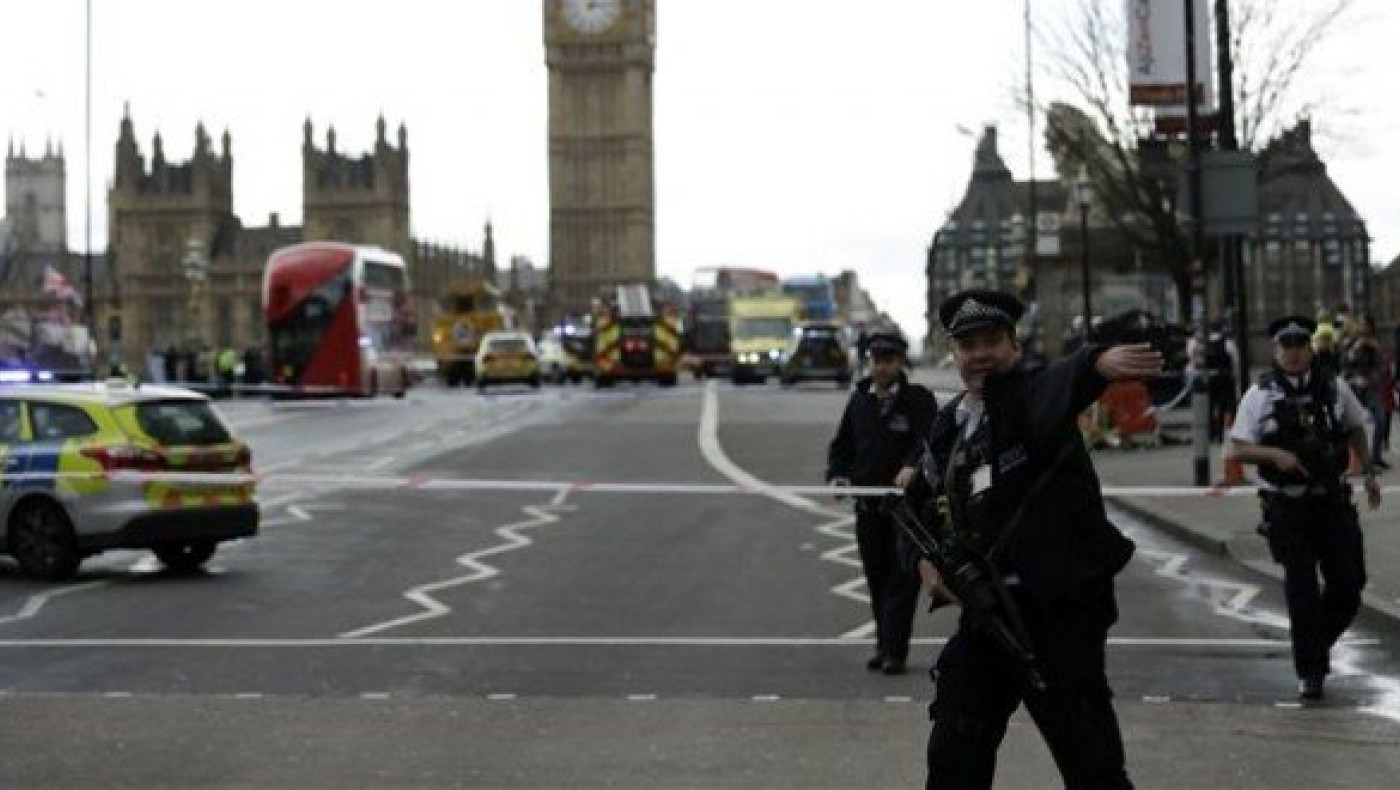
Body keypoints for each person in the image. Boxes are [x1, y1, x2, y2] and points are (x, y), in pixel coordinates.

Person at [904, 288, 1158, 789]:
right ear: (953, 354)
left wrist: (1097, 362)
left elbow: (1064, 380)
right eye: (968, 344)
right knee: (956, 738)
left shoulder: (1030, 397)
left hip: (1057, 614)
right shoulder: (948, 425)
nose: (981, 355)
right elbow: (916, 510)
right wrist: (928, 569)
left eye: (993, 341)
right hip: (988, 611)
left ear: (1013, 347)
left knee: (1091, 762)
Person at [1228, 315, 1382, 701]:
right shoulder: (1260, 394)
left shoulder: (1333, 386)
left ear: (1310, 347)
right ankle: (1310, 672)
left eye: (1301, 344)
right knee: (1302, 592)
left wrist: (1368, 473)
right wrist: (1276, 454)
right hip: (1288, 508)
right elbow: (1239, 448)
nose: (1294, 353)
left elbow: (1355, 428)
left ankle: (1313, 647)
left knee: (1349, 586)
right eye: (1286, 345)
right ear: (1276, 350)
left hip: (1331, 502)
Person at [826, 331, 937, 675]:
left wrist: (911, 466)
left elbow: (931, 438)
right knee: (876, 578)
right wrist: (838, 475)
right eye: (876, 360)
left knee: (902, 579)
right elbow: (842, 445)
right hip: (868, 506)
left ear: (901, 362)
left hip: (906, 508)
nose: (881, 367)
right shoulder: (860, 400)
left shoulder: (918, 400)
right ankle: (883, 645)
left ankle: (895, 651)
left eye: (888, 361)